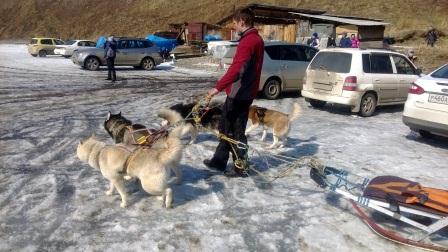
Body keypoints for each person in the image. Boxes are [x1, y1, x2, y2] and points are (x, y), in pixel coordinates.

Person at [203, 9, 264, 177]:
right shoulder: (255, 39)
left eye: (235, 23)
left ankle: (241, 166)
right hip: (245, 92)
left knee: (235, 131)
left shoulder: (249, 42)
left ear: (242, 22)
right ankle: (219, 161)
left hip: (239, 94)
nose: (234, 26)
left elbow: (237, 69)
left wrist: (218, 87)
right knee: (226, 127)